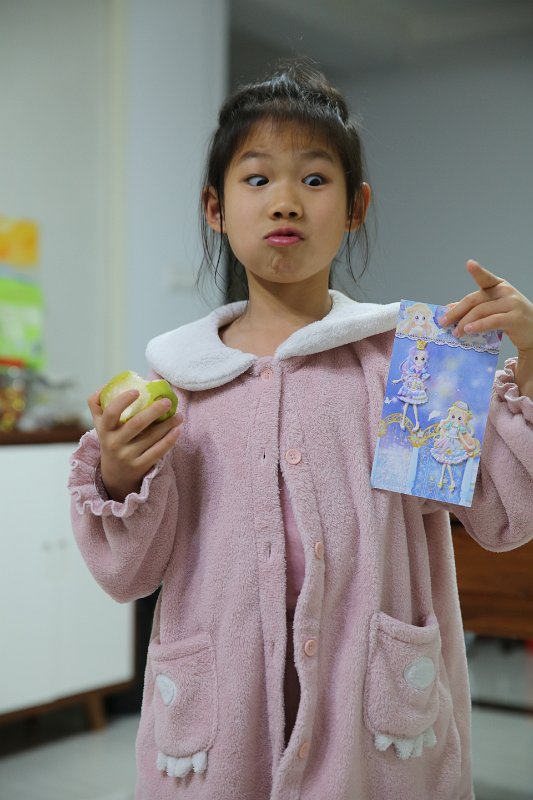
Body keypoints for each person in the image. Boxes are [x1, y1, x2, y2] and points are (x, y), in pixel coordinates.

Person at [68, 61, 533, 800]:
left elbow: (506, 518)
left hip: (375, 722)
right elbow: (128, 575)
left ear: (355, 206)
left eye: (315, 179)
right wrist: (120, 475)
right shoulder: (180, 381)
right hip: (219, 728)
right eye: (256, 179)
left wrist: (530, 361)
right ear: (215, 208)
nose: (284, 200)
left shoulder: (410, 366)